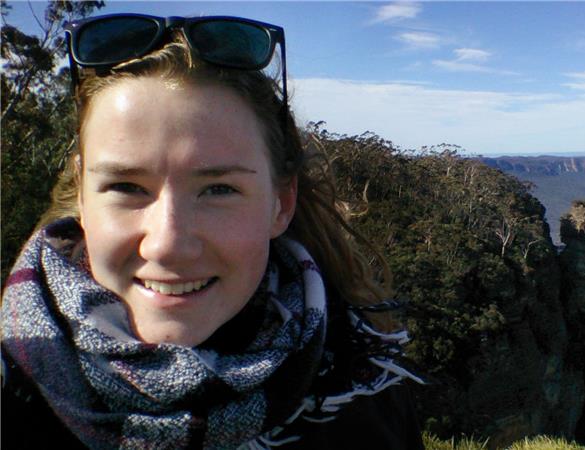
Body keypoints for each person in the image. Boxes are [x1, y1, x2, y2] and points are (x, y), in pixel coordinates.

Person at [1, 13, 424, 449]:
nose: (168, 244)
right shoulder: (12, 398)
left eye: (218, 189)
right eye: (126, 187)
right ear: (84, 198)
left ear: (282, 203)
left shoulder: (366, 392)